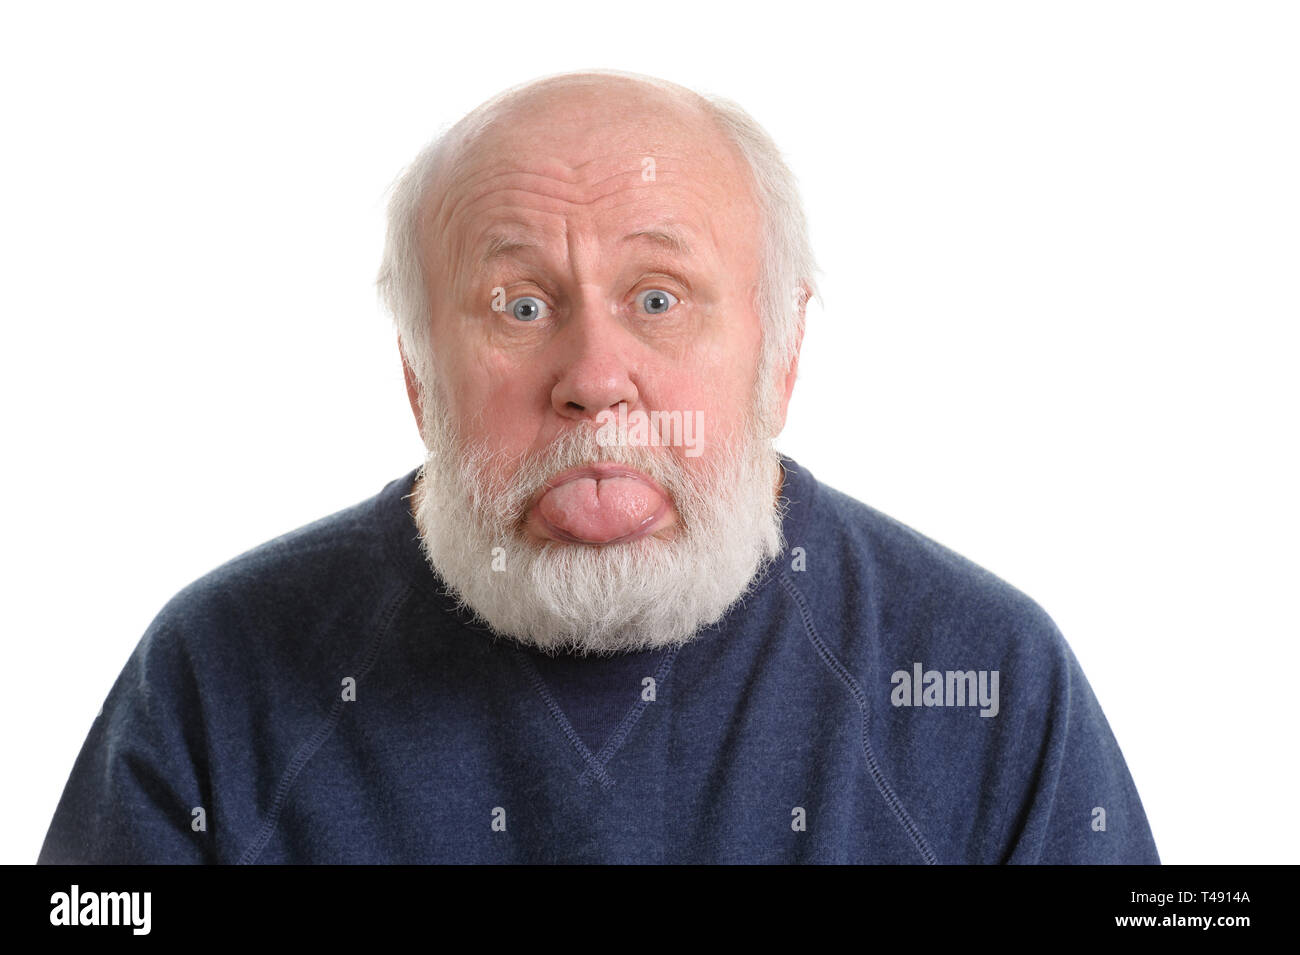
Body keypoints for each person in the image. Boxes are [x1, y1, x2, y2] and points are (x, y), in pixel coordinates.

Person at [38, 69, 1159, 864]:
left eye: (659, 300)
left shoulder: (987, 677)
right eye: (519, 305)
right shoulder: (215, 676)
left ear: (782, 353)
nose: (593, 376)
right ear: (419, 376)